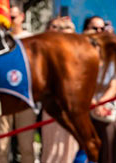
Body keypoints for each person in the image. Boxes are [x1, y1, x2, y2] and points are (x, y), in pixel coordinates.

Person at [0, 0, 36, 163]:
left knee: (26, 148)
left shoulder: (31, 40)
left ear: (22, 17)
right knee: (0, 149)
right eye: (6, 17)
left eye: (13, 17)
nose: (9, 21)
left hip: (24, 99)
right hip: (2, 100)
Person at [74, 16, 116, 163]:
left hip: (106, 105)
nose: (99, 31)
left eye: (102, 28)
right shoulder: (78, 55)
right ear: (85, 30)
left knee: (111, 130)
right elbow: (78, 84)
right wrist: (93, 103)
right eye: (95, 28)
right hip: (84, 106)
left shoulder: (110, 55)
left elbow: (114, 85)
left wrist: (101, 104)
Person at [39, 17, 78, 163]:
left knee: (70, 148)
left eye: (69, 29)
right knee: (53, 150)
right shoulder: (47, 53)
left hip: (74, 107)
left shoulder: (80, 53)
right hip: (53, 106)